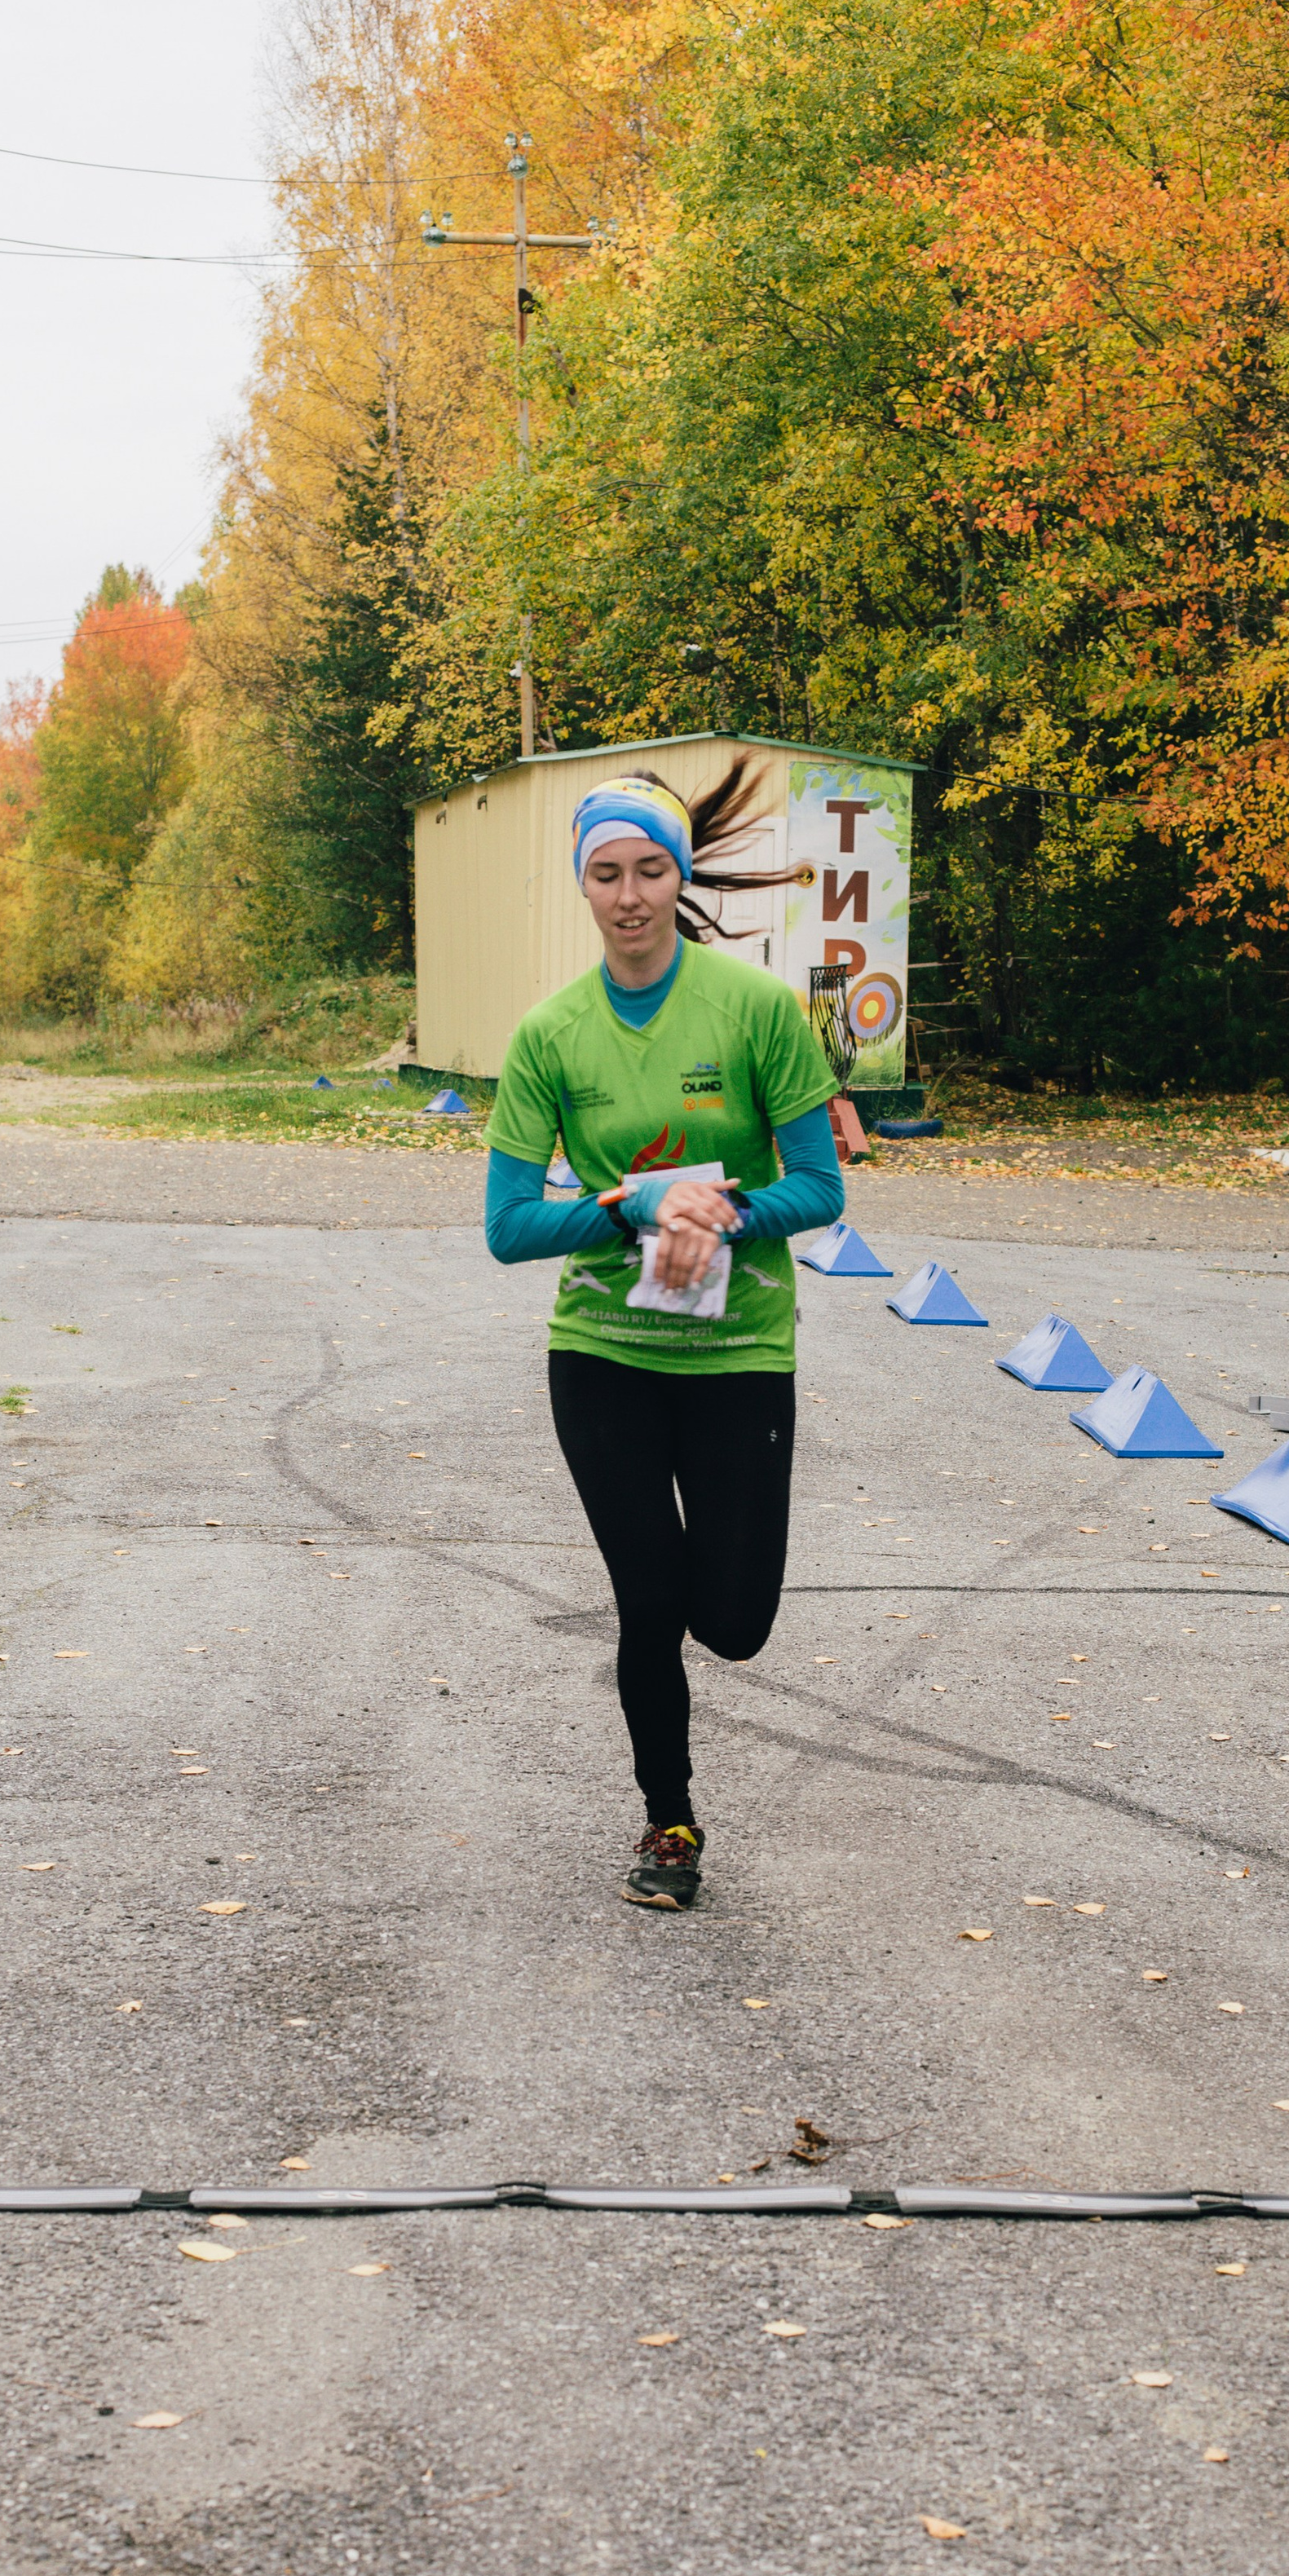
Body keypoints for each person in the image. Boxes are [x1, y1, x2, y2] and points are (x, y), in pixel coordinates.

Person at [483, 759, 846, 1908]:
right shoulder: (550, 1035)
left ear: (678, 879)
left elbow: (821, 1187)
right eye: (607, 873)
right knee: (647, 1603)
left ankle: (700, 1585)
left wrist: (716, 1213)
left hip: (739, 1353)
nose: (629, 895)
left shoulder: (754, 1011)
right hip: (605, 1353)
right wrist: (632, 1205)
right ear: (582, 884)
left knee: (730, 1625)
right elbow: (506, 1227)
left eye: (650, 870)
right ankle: (669, 1825)